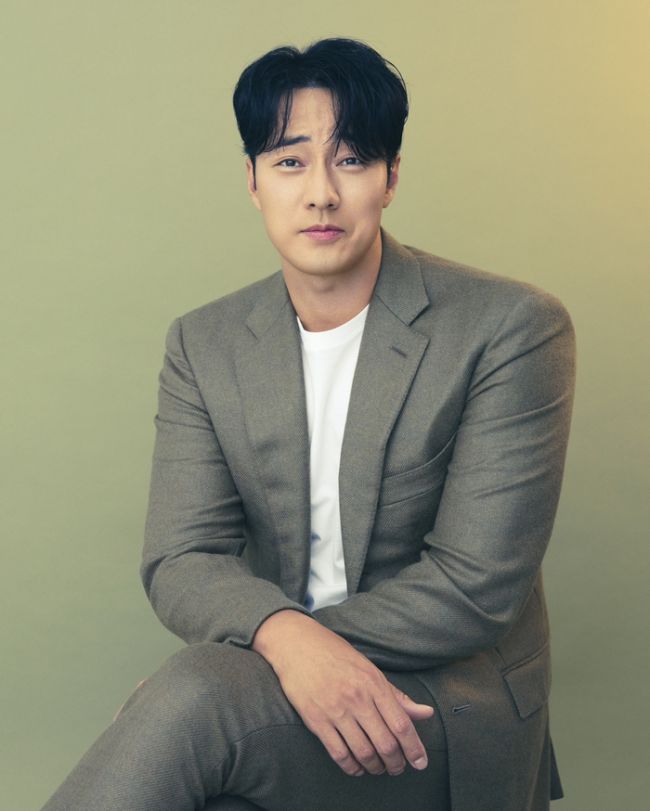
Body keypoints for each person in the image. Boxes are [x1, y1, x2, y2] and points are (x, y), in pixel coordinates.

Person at [42, 37, 575, 811]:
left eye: (351, 160)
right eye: (290, 161)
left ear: (391, 178)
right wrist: (282, 644)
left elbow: (474, 585)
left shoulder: (509, 327)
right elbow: (182, 556)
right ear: (252, 181)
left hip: (442, 708)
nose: (321, 193)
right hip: (277, 687)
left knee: (196, 695)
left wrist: (271, 654)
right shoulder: (205, 343)